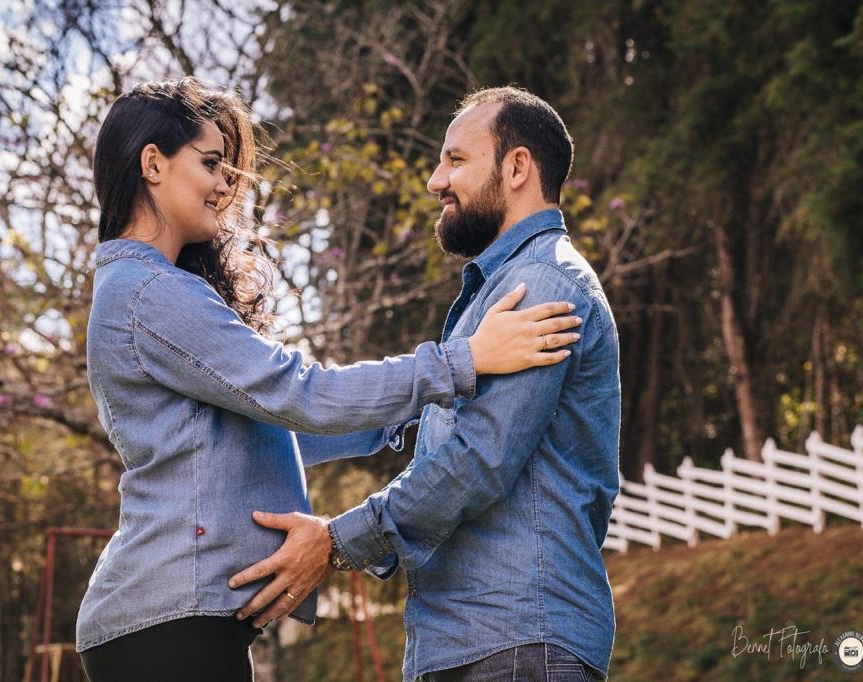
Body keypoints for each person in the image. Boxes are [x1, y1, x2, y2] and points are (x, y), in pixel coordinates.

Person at [75, 77, 583, 681]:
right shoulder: (149, 292)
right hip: (166, 622)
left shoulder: (145, 290)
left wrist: (419, 412)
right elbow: (300, 396)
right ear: (152, 164)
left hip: (176, 619)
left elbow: (264, 435)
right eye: (211, 164)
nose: (225, 185)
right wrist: (461, 363)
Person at [233, 86, 620, 681]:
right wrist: (237, 437)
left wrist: (337, 542)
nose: (436, 181)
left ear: (518, 168)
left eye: (456, 160)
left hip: (518, 640)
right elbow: (406, 422)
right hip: (466, 641)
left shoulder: (543, 285)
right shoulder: (493, 297)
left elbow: (478, 461)